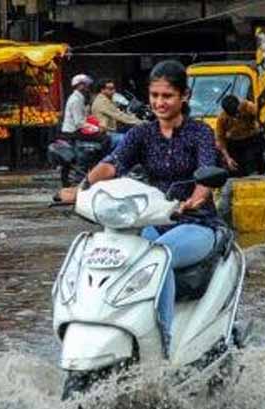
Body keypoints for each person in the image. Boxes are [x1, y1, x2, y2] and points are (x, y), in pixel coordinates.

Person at [55, 60, 221, 357]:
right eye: (154, 95)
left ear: (184, 96)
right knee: (116, 252)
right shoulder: (142, 134)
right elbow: (113, 164)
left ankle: (162, 344)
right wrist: (81, 189)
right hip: (153, 219)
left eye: (167, 96)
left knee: (159, 256)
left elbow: (207, 172)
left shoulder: (200, 133)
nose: (159, 102)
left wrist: (193, 200)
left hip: (195, 222)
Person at [215, 95, 264, 176]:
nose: (236, 116)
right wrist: (228, 158)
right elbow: (220, 139)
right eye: (232, 115)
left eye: (237, 112)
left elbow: (261, 115)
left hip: (251, 140)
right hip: (234, 144)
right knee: (235, 169)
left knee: (252, 164)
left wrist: (258, 124)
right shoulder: (222, 119)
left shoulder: (248, 106)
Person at [90, 78, 143, 149]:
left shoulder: (107, 99)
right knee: (134, 140)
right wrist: (142, 122)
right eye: (110, 89)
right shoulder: (102, 101)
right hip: (108, 134)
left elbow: (119, 112)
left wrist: (132, 116)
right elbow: (119, 116)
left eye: (114, 88)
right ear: (102, 90)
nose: (113, 91)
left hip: (111, 132)